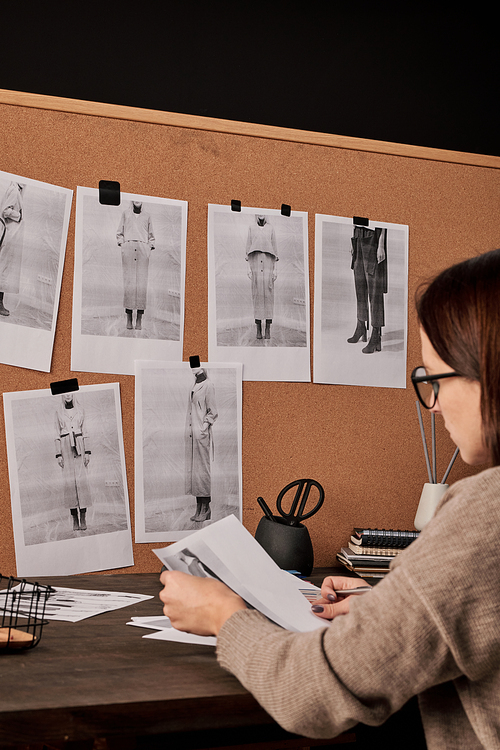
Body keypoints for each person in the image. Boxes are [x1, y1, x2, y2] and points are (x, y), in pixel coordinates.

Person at [160, 248, 500, 748]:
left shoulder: (484, 513)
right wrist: (385, 606)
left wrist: (225, 618)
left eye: (434, 378)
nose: (433, 404)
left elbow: (311, 694)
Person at [55, 393, 92, 531]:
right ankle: (74, 518)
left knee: (82, 483)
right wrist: (59, 454)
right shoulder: (58, 412)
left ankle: (83, 517)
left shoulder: (81, 410)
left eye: (70, 393)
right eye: (65, 394)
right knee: (69, 483)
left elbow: (85, 431)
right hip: (65, 447)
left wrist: (87, 452)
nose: (68, 396)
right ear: (62, 396)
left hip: (79, 445)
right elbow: (56, 434)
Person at [347, 224, 387, 354]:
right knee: (359, 284)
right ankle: (361, 326)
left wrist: (381, 245)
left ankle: (376, 334)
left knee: (375, 289)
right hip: (358, 235)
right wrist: (353, 238)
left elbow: (385, 221)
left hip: (373, 237)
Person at [185, 367, 218, 523]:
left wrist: (204, 427)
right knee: (196, 473)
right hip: (193, 435)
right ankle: (199, 508)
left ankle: (205, 508)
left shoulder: (208, 385)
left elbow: (213, 412)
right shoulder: (195, 383)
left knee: (203, 472)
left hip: (201, 434)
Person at [116, 200, 155, 331]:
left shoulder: (147, 215)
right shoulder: (125, 214)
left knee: (141, 284)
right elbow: (119, 232)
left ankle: (139, 318)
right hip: (128, 249)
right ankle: (128, 318)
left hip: (143, 250)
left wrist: (148, 248)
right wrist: (123, 244)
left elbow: (152, 236)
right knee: (129, 283)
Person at [245, 214, 278, 340]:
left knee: (269, 295)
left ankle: (268, 328)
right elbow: (248, 248)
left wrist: (275, 270)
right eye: (258, 212)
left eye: (263, 212)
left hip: (269, 263)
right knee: (257, 295)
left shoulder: (271, 228)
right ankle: (258, 328)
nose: (261, 215)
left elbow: (275, 249)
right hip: (255, 263)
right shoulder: (251, 228)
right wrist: (248, 268)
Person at [0, 182, 25, 317]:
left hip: (9, 235)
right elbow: (5, 211)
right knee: (3, 270)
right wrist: (19, 216)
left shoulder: (14, 190)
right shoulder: (15, 191)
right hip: (9, 235)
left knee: (3, 269)